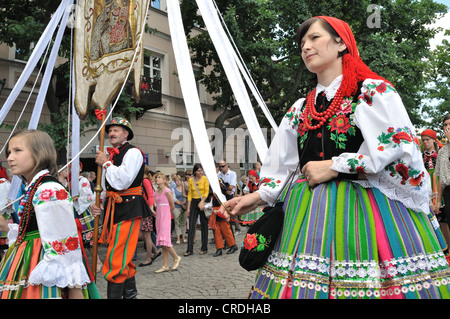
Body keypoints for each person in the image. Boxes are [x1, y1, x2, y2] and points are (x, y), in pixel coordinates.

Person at [221, 16, 450, 299]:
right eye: (302, 42)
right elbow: (285, 166)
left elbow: (399, 149)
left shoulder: (372, 92)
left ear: (341, 42)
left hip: (367, 210)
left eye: (314, 38)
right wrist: (257, 197)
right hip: (305, 215)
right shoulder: (300, 108)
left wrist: (336, 166)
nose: (305, 46)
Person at [0, 130, 97, 299]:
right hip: (32, 256)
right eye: (9, 152)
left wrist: (74, 287)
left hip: (44, 258)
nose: (9, 158)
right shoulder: (35, 186)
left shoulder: (48, 189)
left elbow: (65, 241)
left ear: (39, 153)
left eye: (17, 150)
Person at [92, 116, 151, 299]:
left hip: (128, 207)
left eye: (116, 130)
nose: (111, 133)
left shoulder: (133, 152)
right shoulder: (112, 154)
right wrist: (98, 203)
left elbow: (123, 181)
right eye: (110, 131)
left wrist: (106, 163)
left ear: (126, 133)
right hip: (114, 208)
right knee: (123, 255)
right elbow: (105, 184)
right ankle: (130, 296)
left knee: (117, 257)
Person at [72, 162, 103, 273]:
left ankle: (97, 261)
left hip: (82, 211)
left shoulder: (83, 180)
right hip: (74, 211)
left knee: (88, 239)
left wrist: (77, 198)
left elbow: (88, 196)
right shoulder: (70, 182)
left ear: (80, 168)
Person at [422, 129, 449, 247]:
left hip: (438, 184)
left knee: (443, 218)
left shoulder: (441, 154)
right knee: (431, 218)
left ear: (434, 140)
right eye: (423, 140)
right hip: (426, 185)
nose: (425, 142)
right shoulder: (420, 156)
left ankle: (448, 247)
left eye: (427, 140)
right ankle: (438, 247)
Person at [153, 172, 182, 273]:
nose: (157, 179)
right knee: (162, 242)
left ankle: (176, 257)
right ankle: (165, 265)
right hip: (158, 217)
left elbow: (172, 205)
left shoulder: (167, 191)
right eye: (156, 177)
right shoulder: (155, 193)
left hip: (165, 217)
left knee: (164, 240)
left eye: (160, 177)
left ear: (164, 180)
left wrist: (166, 214)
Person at [184, 163, 209, 256]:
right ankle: (189, 249)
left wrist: (202, 201)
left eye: (201, 170)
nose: (201, 172)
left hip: (202, 201)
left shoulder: (205, 179)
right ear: (195, 172)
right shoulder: (191, 180)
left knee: (204, 225)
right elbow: (190, 194)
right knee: (191, 226)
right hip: (193, 203)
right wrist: (188, 208)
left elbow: (206, 191)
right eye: (199, 170)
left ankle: (204, 248)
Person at [139, 165, 160, 267]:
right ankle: (155, 250)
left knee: (146, 235)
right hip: (143, 210)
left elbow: (150, 195)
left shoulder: (145, 181)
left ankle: (148, 258)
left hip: (146, 210)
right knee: (143, 235)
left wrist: (151, 209)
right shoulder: (142, 180)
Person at [210, 178, 238, 257]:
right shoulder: (214, 196)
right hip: (216, 217)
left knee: (227, 232)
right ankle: (219, 249)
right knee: (217, 234)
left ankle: (233, 245)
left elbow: (225, 205)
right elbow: (211, 205)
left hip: (222, 216)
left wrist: (218, 210)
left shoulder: (222, 196)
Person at [435, 114, 450, 252]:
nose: (447, 128)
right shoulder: (442, 151)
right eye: (445, 125)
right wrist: (439, 201)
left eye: (449, 124)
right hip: (448, 192)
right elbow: (440, 178)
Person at [171, 174, 187, 244]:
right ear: (174, 181)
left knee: (183, 222)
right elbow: (173, 198)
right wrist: (181, 203)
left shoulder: (184, 188)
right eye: (176, 180)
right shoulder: (173, 188)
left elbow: (187, 196)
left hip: (184, 207)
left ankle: (183, 237)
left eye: (179, 180)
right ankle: (178, 238)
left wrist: (184, 203)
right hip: (176, 207)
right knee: (177, 222)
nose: (178, 182)